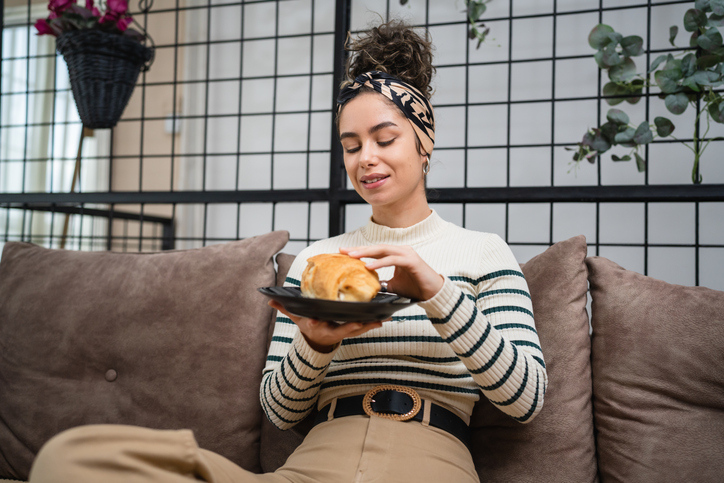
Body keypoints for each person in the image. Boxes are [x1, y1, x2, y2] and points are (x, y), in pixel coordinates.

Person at [29, 20, 546, 483]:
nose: (366, 158)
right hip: (313, 465)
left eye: (384, 139)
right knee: (71, 457)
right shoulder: (318, 263)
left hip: (430, 461)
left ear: (424, 141)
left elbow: (526, 399)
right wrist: (316, 343)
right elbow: (281, 410)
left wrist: (436, 291)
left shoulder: (483, 253)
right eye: (350, 145)